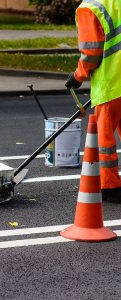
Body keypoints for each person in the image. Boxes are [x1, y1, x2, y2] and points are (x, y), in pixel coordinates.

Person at [66, 0, 121, 202]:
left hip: (111, 83)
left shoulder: (90, 7)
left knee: (104, 140)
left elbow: (91, 52)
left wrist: (78, 76)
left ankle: (109, 186)